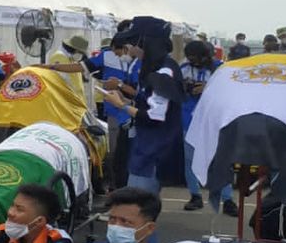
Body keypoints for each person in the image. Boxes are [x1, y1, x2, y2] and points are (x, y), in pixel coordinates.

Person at [104, 17, 183, 195]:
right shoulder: (154, 67)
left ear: (145, 43)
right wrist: (126, 101)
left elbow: (155, 116)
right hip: (146, 147)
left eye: (132, 43)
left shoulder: (163, 71)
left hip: (154, 152)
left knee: (136, 207)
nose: (129, 48)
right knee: (139, 206)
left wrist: (121, 106)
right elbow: (149, 101)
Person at [178, 40, 237, 215]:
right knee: (190, 160)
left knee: (221, 160)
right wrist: (185, 87)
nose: (193, 61)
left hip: (215, 122)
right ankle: (195, 195)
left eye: (196, 58)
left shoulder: (222, 70)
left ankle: (227, 199)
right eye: (190, 58)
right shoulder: (184, 68)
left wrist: (208, 88)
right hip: (189, 120)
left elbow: (231, 92)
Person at [91, 22, 139, 188]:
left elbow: (137, 92)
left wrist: (119, 86)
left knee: (129, 152)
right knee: (115, 151)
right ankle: (115, 186)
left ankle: (128, 186)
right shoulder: (107, 56)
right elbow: (85, 67)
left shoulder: (139, 62)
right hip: (114, 110)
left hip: (132, 112)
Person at [45, 34, 91, 99]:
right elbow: (62, 83)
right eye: (80, 52)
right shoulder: (59, 57)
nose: (81, 55)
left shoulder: (71, 58)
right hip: (68, 100)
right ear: (73, 49)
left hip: (76, 100)